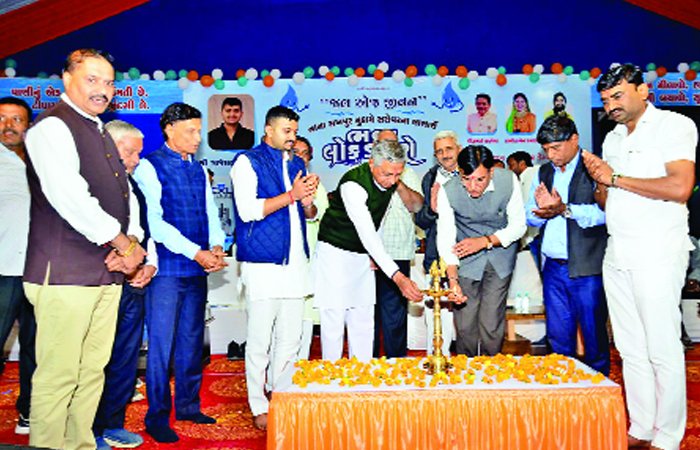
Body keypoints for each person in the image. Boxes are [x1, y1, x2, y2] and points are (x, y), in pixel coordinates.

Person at [23, 48, 146, 450]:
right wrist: (124, 244)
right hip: (65, 273)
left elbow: (124, 198)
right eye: (92, 79)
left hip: (106, 273)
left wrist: (132, 245)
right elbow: (71, 198)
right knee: (59, 374)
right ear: (66, 79)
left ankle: (79, 444)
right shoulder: (52, 128)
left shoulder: (100, 130)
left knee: (92, 371)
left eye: (108, 82)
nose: (102, 90)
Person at [582, 63, 697, 450]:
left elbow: (680, 187)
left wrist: (613, 178)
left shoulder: (674, 126)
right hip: (617, 250)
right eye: (605, 100)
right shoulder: (613, 137)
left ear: (643, 91)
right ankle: (643, 425)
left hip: (657, 250)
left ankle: (668, 435)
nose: (611, 106)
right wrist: (600, 183)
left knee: (661, 347)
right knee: (629, 348)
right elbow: (609, 197)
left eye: (618, 96)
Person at [134, 103, 227, 443]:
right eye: (191, 131)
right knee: (161, 346)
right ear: (169, 129)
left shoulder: (198, 169)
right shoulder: (149, 166)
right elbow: (154, 223)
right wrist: (196, 252)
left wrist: (216, 245)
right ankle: (157, 416)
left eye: (199, 131)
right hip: (167, 270)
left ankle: (188, 406)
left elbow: (210, 212)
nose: (198, 137)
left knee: (191, 340)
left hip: (196, 267)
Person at [230, 106, 318, 431]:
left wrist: (306, 202)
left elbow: (309, 214)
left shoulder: (297, 163)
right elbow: (248, 210)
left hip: (295, 263)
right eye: (286, 131)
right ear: (268, 130)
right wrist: (291, 195)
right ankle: (258, 403)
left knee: (291, 338)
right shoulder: (246, 161)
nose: (292, 137)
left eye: (294, 131)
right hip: (262, 264)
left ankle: (281, 396)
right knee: (259, 340)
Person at [315, 139, 423, 363]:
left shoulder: (389, 183)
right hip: (334, 252)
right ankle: (330, 375)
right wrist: (399, 277)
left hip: (362, 255)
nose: (392, 181)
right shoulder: (353, 184)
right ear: (372, 163)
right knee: (334, 317)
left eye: (398, 175)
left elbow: (377, 222)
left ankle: (362, 373)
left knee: (363, 316)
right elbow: (366, 232)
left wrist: (374, 256)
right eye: (387, 174)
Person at [525, 116, 609, 374]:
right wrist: (542, 212)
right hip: (553, 267)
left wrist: (565, 210)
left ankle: (599, 390)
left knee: (594, 336)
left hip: (588, 267)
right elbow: (529, 216)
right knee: (558, 337)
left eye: (556, 148)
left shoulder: (595, 168)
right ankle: (563, 388)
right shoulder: (543, 172)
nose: (551, 155)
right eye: (546, 149)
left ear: (574, 140)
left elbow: (608, 214)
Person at [92, 120, 155, 449]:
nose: (135, 160)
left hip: (132, 284)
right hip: (100, 281)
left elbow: (145, 230)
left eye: (138, 154)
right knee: (95, 360)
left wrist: (147, 264)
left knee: (125, 358)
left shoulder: (134, 186)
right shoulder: (88, 184)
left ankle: (111, 423)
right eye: (129, 153)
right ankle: (88, 430)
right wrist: (120, 254)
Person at [437, 145, 526, 356]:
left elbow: (519, 226)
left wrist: (485, 241)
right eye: (466, 179)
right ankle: (466, 370)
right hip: (465, 259)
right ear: (459, 172)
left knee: (491, 323)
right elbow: (446, 236)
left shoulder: (508, 180)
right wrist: (452, 281)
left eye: (480, 179)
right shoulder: (448, 190)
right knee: (465, 324)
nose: (473, 187)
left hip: (500, 258)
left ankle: (490, 369)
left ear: (491, 172)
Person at [0, 96, 36, 436]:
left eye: (16, 119)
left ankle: (29, 411)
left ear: (28, 127)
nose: (8, 125)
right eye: (1, 118)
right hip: (3, 269)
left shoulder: (40, 163)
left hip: (39, 270)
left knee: (36, 346)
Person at [372, 130, 423, 358]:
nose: (389, 148)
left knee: (395, 316)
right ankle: (368, 366)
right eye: (384, 144)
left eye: (393, 144)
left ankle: (397, 365)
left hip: (397, 252)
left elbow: (417, 207)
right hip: (368, 255)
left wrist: (397, 181)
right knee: (367, 314)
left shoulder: (408, 174)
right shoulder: (364, 173)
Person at [415, 130, 462, 355]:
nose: (445, 155)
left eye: (449, 149)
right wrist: (433, 210)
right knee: (436, 315)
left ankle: (469, 365)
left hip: (469, 254)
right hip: (437, 258)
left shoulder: (472, 172)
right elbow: (421, 220)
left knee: (467, 318)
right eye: (439, 151)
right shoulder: (430, 178)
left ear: (459, 149)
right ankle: (436, 361)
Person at [292, 135, 329, 360]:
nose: (300, 157)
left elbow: (316, 215)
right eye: (295, 152)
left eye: (305, 154)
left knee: (305, 319)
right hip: (281, 261)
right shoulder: (276, 180)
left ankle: (299, 369)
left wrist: (307, 204)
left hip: (308, 260)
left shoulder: (316, 185)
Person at [507, 150, 540, 250]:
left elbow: (525, 206)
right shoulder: (522, 178)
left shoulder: (531, 174)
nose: (509, 169)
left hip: (534, 235)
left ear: (521, 164)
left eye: (511, 165)